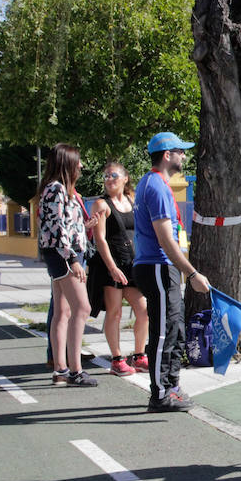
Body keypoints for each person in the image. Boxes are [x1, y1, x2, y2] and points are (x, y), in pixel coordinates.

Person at [134, 131, 210, 413]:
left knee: (174, 330)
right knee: (165, 333)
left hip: (158, 267)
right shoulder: (156, 186)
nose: (184, 155)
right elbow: (166, 239)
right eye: (180, 151)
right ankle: (161, 394)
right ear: (167, 155)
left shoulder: (152, 183)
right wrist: (192, 274)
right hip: (158, 266)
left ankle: (171, 387)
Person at [37, 143, 98, 387]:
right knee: (81, 308)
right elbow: (58, 229)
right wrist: (73, 260)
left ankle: (61, 369)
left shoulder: (60, 190)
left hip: (60, 254)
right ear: (67, 163)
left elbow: (65, 225)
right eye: (78, 161)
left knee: (62, 312)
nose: (81, 165)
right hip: (62, 256)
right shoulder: (56, 189)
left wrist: (85, 227)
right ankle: (74, 369)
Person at [89, 161, 149, 376]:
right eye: (106, 176)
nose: (109, 179)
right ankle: (116, 359)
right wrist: (112, 268)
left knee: (143, 311)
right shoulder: (101, 205)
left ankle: (140, 355)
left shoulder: (132, 201)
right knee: (114, 313)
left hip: (131, 264)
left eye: (113, 175)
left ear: (125, 178)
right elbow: (100, 240)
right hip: (111, 265)